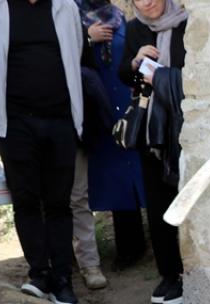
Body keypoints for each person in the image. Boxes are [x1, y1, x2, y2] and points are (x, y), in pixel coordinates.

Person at [0, 0, 85, 304]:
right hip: (13, 123)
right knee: (26, 199)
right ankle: (39, 274)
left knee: (59, 202)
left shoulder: (66, 8)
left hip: (61, 119)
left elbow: (74, 53)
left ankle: (63, 279)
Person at [119, 0, 186, 304]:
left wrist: (160, 76)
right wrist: (136, 62)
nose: (147, 2)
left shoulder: (186, 23)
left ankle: (189, 272)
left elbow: (190, 77)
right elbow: (126, 77)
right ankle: (169, 273)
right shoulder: (135, 29)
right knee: (158, 203)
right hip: (151, 130)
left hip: (183, 127)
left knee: (185, 199)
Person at [77, 0, 146, 277]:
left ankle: (142, 243)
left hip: (125, 101)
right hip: (98, 109)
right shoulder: (72, 19)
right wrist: (87, 38)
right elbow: (62, 56)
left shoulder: (119, 17)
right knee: (113, 179)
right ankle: (125, 249)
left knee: (135, 172)